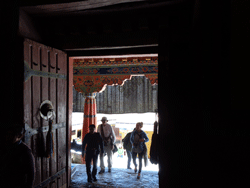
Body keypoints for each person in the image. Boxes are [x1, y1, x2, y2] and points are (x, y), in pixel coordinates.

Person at [0, 123, 35, 188]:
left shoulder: (25, 151)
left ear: (20, 136)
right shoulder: (5, 147)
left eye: (12, 135)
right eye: (8, 134)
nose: (8, 137)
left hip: (19, 184)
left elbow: (31, 173)